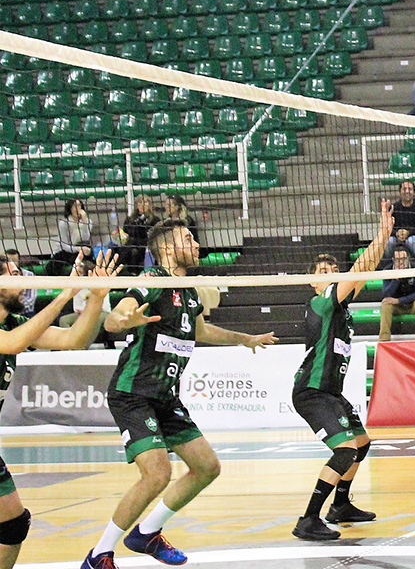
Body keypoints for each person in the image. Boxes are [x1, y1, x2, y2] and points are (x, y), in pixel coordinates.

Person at [83, 221, 277, 569]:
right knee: (157, 473)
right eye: (187, 238)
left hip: (166, 398)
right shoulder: (152, 281)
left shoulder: (187, 291)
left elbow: (201, 330)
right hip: (133, 393)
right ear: (168, 249)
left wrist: (243, 339)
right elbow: (114, 320)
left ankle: (147, 532)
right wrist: (124, 320)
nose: (196, 242)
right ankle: (100, 554)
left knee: (206, 467)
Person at [0, 251, 120, 568]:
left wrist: (96, 297)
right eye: (15, 275)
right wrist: (64, 294)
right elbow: (11, 343)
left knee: (13, 526)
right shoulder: (11, 331)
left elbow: (72, 339)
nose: (26, 283)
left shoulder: (14, 323)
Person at [292, 200, 392, 541]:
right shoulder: (321, 302)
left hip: (330, 393)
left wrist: (383, 240)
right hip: (311, 392)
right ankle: (308, 519)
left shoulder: (340, 307)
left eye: (332, 270)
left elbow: (362, 272)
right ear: (313, 283)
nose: (330, 275)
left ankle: (341, 506)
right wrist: (380, 235)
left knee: (361, 444)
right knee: (346, 449)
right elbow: (357, 272)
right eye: (323, 273)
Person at [379, 249, 415, 341]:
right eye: (398, 260)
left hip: (413, 304)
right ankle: (384, 339)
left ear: (408, 259)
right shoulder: (387, 270)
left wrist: (399, 300)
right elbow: (386, 294)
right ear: (393, 260)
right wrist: (396, 279)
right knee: (385, 303)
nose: (401, 262)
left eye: (403, 259)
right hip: (397, 306)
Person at [385, 180, 415, 259]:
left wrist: (409, 232)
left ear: (414, 192)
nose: (407, 191)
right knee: (389, 242)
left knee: (411, 241)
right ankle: (388, 267)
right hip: (396, 238)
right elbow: (386, 228)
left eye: (409, 189)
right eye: (404, 189)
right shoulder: (394, 208)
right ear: (400, 192)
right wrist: (397, 233)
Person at [48, 198, 93, 276]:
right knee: (52, 266)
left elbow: (86, 238)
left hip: (80, 250)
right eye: (74, 206)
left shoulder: (88, 222)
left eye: (79, 205)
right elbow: (64, 246)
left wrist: (85, 221)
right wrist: (79, 249)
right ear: (70, 208)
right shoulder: (64, 223)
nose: (77, 208)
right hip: (65, 252)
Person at [119, 195, 160, 275]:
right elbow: (125, 233)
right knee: (124, 249)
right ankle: (119, 268)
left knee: (133, 251)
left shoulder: (155, 220)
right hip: (131, 244)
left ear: (149, 204)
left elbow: (154, 237)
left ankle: (133, 271)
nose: (142, 204)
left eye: (145, 202)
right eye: (140, 202)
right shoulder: (130, 219)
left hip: (146, 246)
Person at [3, 251, 35, 318]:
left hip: (26, 313)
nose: (12, 263)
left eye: (14, 260)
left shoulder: (29, 275)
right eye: (9, 260)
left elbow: (31, 299)